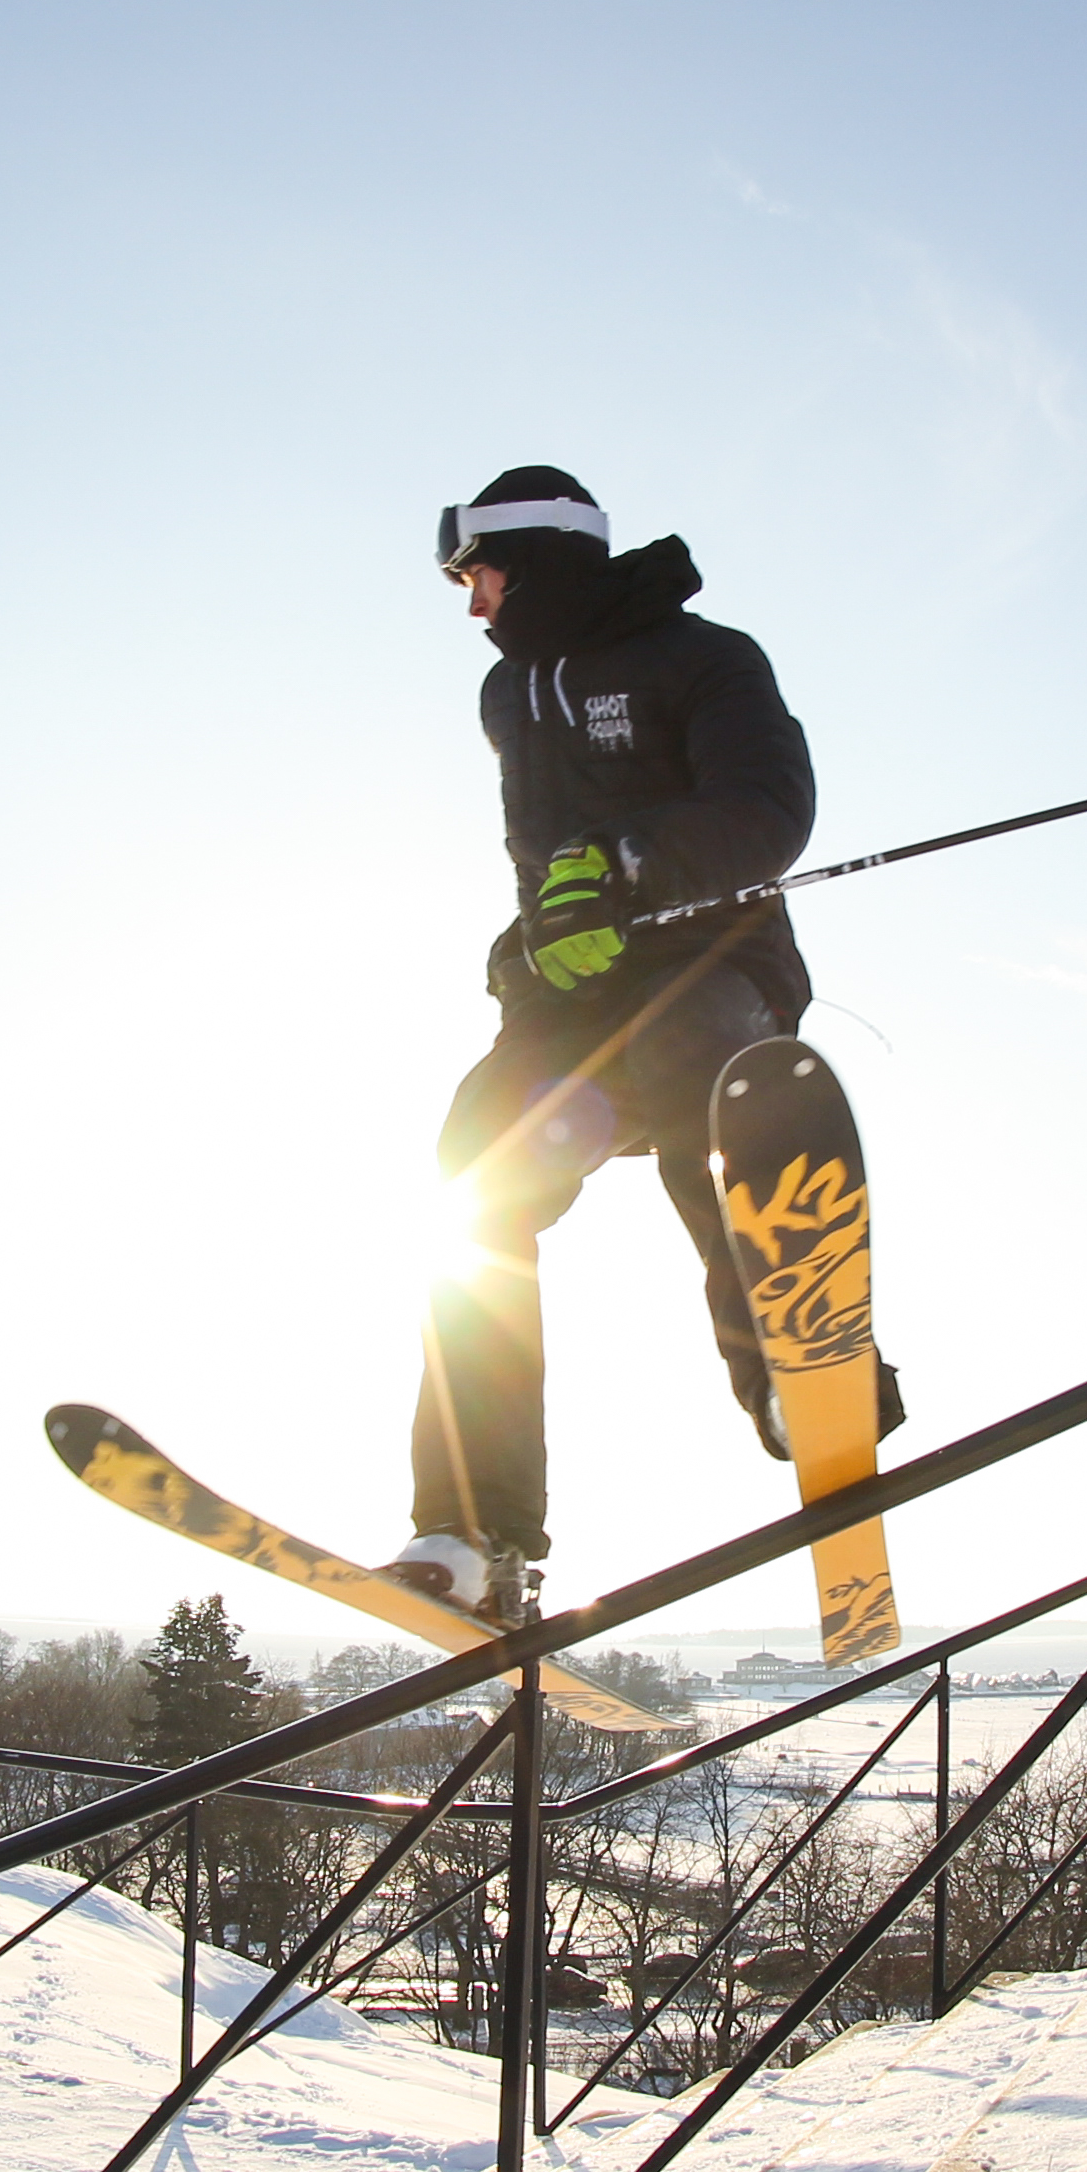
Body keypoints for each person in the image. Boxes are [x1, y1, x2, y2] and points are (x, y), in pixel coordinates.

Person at [389, 466, 873, 1623]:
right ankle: (471, 1529)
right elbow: (543, 867)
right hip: (579, 1010)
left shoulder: (707, 658)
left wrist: (626, 865)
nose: (472, 607)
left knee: (706, 1080)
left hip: (714, 965)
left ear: (538, 560)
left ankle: (791, 1379)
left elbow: (771, 808)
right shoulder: (511, 696)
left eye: (481, 576)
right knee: (476, 1167)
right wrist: (528, 948)